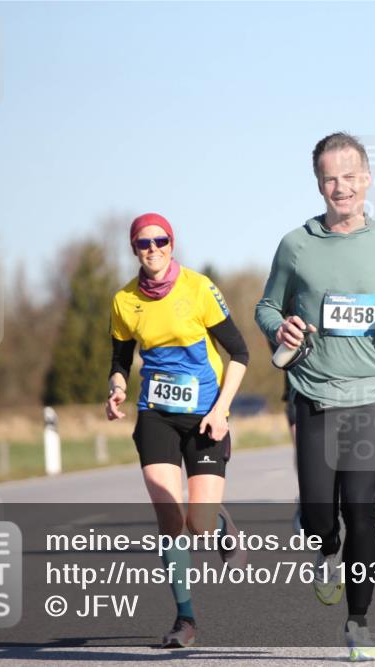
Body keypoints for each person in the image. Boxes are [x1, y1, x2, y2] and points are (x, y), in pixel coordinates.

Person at [255, 132, 375, 661]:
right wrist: (280, 327)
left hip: (372, 396)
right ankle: (324, 549)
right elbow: (266, 307)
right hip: (312, 393)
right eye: (331, 178)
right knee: (319, 517)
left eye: (350, 176)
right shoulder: (296, 245)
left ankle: (359, 624)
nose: (342, 187)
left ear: (368, 179)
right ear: (319, 183)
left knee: (361, 511)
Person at [106, 212, 249, 648]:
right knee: (169, 517)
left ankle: (222, 529)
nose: (153, 249)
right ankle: (185, 620)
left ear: (172, 243)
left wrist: (222, 410)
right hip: (156, 414)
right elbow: (120, 359)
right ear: (134, 249)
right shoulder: (124, 301)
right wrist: (115, 388)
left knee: (199, 524)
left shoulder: (198, 287)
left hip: (206, 415)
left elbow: (240, 353)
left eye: (160, 240)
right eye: (143, 243)